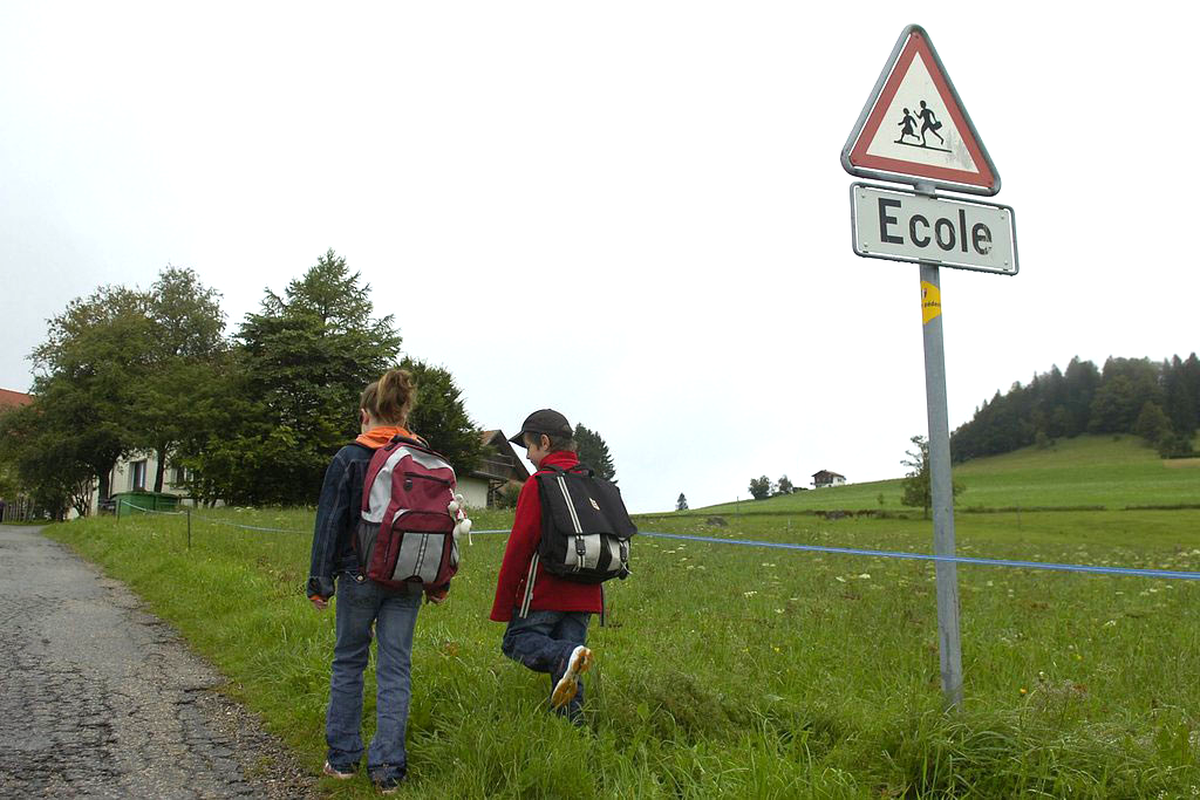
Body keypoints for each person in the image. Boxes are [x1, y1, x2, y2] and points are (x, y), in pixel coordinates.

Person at [306, 368, 443, 794]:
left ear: (366, 414)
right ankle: (388, 771)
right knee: (395, 668)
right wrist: (438, 582)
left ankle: (343, 760)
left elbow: (330, 522)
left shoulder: (350, 457)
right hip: (410, 579)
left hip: (358, 574)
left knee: (349, 661)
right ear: (403, 414)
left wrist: (319, 581)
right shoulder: (426, 457)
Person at [490, 409, 599, 722]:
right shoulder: (591, 483)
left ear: (545, 442)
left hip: (544, 592)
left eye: (529, 447)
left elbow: (519, 548)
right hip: (586, 593)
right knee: (571, 667)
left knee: (516, 642)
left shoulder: (539, 484)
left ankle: (563, 656)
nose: (527, 456)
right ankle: (572, 729)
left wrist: (501, 606)